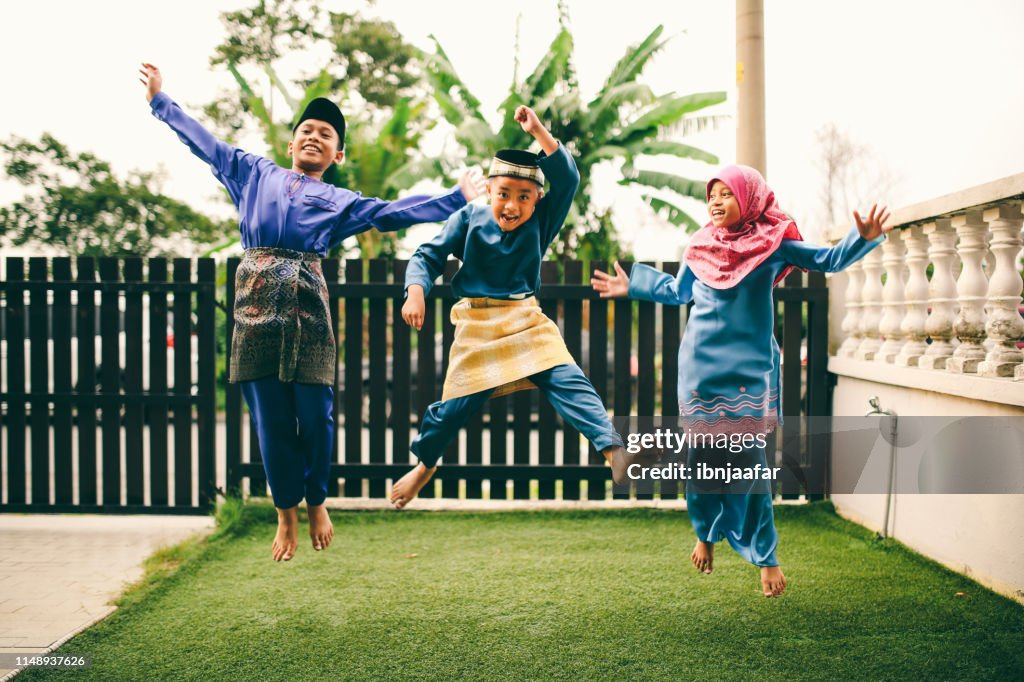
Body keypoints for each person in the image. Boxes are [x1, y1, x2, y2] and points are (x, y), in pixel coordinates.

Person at [139, 63, 485, 561]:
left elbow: (392, 212)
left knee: (316, 418)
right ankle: (286, 513)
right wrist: (160, 101)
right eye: (307, 130)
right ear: (291, 143)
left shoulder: (338, 200)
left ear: (337, 153)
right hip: (253, 308)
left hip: (308, 312)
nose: (314, 137)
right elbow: (206, 143)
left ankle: (317, 501)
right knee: (271, 423)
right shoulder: (252, 172)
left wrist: (454, 198)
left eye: (326, 135)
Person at [592, 164, 892, 597]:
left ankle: (765, 557)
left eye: (725, 194)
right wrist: (633, 286)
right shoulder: (701, 245)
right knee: (701, 461)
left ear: (749, 199)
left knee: (750, 464)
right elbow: (679, 292)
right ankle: (706, 533)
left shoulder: (773, 244)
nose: (715, 201)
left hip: (747, 372)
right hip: (699, 369)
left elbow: (825, 260)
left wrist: (860, 239)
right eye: (711, 195)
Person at [389, 105, 633, 509]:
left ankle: (612, 449)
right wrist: (416, 290)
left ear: (537, 199)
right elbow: (427, 255)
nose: (512, 206)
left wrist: (537, 130)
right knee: (452, 409)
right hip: (477, 322)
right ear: (488, 190)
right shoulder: (468, 217)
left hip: (524, 318)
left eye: (524, 197)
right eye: (504, 194)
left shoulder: (541, 221)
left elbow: (567, 177)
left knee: (568, 379)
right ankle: (425, 466)